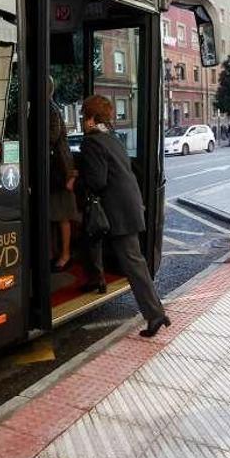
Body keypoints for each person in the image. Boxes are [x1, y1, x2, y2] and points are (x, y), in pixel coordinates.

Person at [79, 95, 170, 337]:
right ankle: (95, 277)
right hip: (128, 206)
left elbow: (97, 181)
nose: (81, 121)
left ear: (90, 118)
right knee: (97, 241)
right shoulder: (112, 139)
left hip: (118, 212)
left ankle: (155, 314)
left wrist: (78, 176)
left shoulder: (91, 143)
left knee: (133, 264)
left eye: (82, 116)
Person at [47, 76, 78, 272]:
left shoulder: (50, 108)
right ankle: (56, 253)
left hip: (58, 169)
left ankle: (65, 255)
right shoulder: (49, 106)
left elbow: (51, 136)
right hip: (56, 168)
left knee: (62, 215)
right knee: (55, 215)